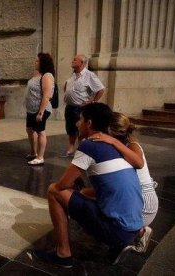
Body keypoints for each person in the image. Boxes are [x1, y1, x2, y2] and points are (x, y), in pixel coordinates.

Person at [31, 103, 143, 268]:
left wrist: (72, 191)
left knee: (54, 191)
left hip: (118, 232)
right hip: (133, 228)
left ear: (89, 123)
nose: (77, 123)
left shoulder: (90, 145)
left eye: (80, 120)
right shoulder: (115, 145)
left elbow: (63, 185)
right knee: (82, 192)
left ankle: (63, 254)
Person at [89, 112, 158, 253]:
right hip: (135, 197)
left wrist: (112, 141)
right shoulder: (119, 145)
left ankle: (137, 232)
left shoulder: (132, 145)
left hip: (143, 203)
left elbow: (139, 163)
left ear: (109, 131)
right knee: (88, 194)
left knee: (92, 205)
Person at [62, 54, 105, 157]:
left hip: (80, 108)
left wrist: (93, 102)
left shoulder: (89, 75)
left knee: (81, 130)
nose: (72, 61)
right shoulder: (73, 74)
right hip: (70, 107)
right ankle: (71, 148)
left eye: (75, 60)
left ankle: (82, 150)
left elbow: (101, 89)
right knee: (71, 128)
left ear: (82, 63)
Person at [25, 52, 55, 165]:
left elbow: (47, 95)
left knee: (40, 131)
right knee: (29, 129)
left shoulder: (47, 75)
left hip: (41, 109)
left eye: (37, 61)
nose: (35, 62)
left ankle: (40, 157)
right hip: (31, 109)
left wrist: (41, 112)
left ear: (43, 62)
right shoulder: (38, 74)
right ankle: (33, 152)